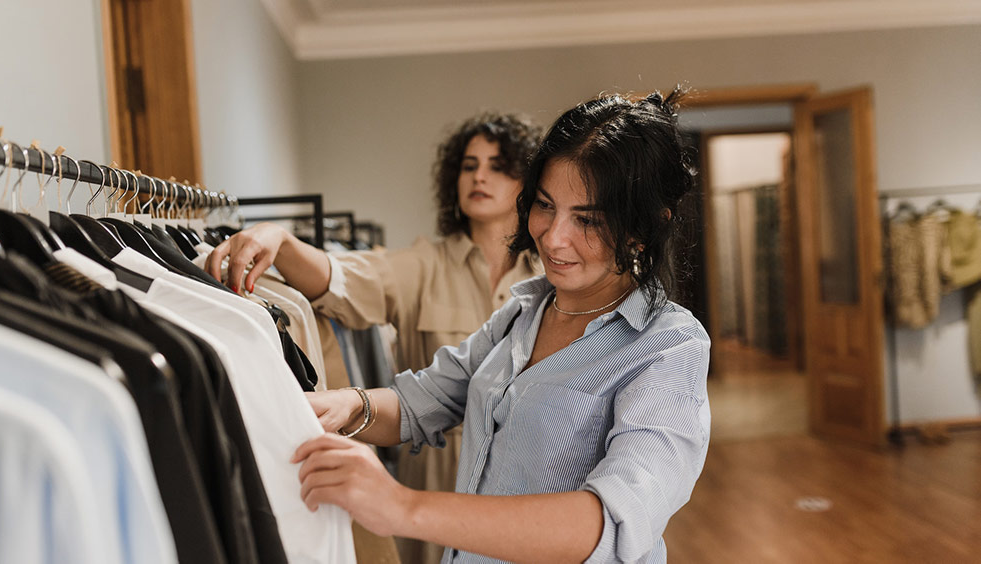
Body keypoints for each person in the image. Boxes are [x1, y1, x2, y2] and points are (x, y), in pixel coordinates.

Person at [289, 88, 711, 563]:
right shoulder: (522, 313)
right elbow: (423, 400)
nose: (553, 237)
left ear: (645, 227)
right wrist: (344, 403)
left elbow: (614, 522)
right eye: (546, 205)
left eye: (587, 219)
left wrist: (403, 507)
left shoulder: (669, 348)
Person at [205, 113, 545, 562]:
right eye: (469, 164)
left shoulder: (549, 279)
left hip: (527, 484)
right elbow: (339, 278)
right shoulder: (424, 265)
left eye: (498, 165)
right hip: (433, 485)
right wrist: (280, 242)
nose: (479, 175)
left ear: (529, 183)